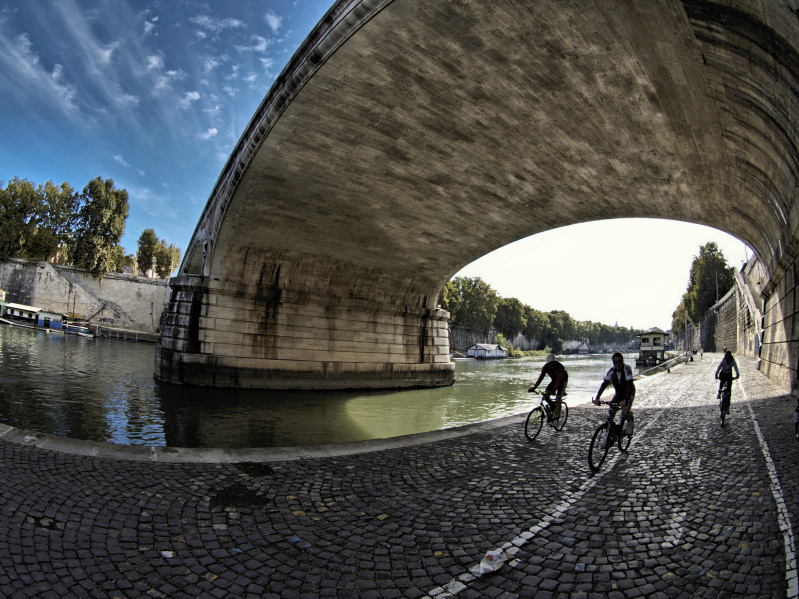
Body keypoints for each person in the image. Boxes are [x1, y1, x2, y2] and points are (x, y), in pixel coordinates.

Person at [593, 352, 635, 432]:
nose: (617, 364)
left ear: (622, 361)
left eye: (619, 362)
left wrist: (625, 400)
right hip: (619, 393)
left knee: (625, 412)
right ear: (613, 363)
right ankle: (611, 434)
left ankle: (630, 422)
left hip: (629, 393)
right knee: (611, 414)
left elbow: (629, 384)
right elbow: (604, 385)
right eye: (615, 362)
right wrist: (597, 398)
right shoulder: (611, 371)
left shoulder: (627, 369)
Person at [528, 354, 568, 422]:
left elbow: (559, 380)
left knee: (558, 398)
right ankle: (552, 407)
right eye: (550, 363)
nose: (551, 365)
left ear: (555, 362)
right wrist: (534, 387)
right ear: (548, 363)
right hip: (554, 381)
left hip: (562, 381)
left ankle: (557, 417)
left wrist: (554, 390)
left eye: (552, 363)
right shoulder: (546, 367)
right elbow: (541, 378)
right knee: (545, 394)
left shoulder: (560, 367)